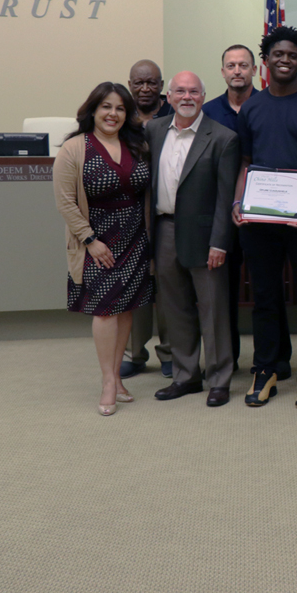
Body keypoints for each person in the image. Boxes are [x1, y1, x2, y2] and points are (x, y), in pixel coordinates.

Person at [234, 26, 297, 408]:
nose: (285, 60)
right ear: (266, 59)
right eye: (278, 54)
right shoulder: (252, 107)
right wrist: (238, 202)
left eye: (292, 55)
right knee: (264, 297)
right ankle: (266, 369)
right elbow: (246, 163)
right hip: (260, 221)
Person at [53, 82, 154, 416]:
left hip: (134, 239)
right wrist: (90, 240)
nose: (113, 114)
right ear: (93, 110)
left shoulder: (137, 145)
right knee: (105, 309)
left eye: (120, 108)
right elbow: (65, 202)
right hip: (97, 242)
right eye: (106, 107)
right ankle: (108, 381)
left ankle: (118, 377)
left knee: (125, 308)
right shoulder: (74, 148)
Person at [146, 72, 240, 407]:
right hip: (164, 230)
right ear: (169, 97)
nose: (187, 97)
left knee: (213, 310)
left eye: (194, 91)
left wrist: (220, 242)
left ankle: (219, 379)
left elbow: (225, 197)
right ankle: (186, 376)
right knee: (175, 308)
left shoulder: (223, 137)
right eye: (180, 91)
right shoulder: (154, 131)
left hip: (205, 236)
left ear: (203, 96)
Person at [203, 44, 288, 374]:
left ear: (255, 70)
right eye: (231, 65)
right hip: (220, 215)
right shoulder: (208, 112)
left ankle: (277, 358)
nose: (237, 70)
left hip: (265, 212)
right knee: (223, 291)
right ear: (222, 71)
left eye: (243, 65)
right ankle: (228, 359)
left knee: (269, 288)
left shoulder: (271, 104)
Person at [121, 58, 173, 377]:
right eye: (138, 83)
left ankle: (170, 352)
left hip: (167, 210)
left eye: (151, 82)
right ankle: (134, 353)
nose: (144, 88)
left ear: (161, 86)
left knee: (168, 285)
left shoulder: (175, 114)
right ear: (130, 85)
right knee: (135, 284)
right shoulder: (120, 118)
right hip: (130, 212)